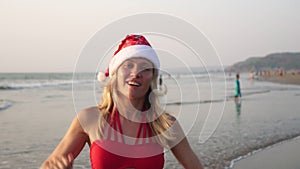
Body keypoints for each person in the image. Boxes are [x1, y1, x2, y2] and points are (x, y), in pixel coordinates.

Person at [40, 34, 203, 169]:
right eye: (128, 65)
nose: (136, 73)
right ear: (115, 74)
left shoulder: (165, 124)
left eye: (145, 68)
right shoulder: (89, 119)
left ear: (153, 78)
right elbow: (49, 165)